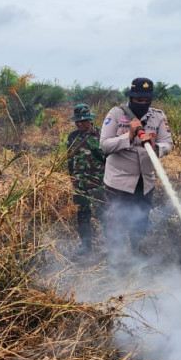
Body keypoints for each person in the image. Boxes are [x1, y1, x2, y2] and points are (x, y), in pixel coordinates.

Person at [100, 77, 173, 251]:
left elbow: (167, 144)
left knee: (140, 226)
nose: (143, 103)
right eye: (139, 100)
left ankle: (137, 262)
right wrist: (129, 136)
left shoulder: (158, 116)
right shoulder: (116, 114)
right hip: (118, 184)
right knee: (116, 227)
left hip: (145, 184)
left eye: (147, 100)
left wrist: (156, 148)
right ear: (131, 98)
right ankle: (115, 266)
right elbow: (104, 144)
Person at [67, 103, 106, 256]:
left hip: (98, 181)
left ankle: (108, 245)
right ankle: (85, 246)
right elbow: (70, 160)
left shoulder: (101, 135)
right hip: (80, 182)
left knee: (103, 213)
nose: (80, 124)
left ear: (90, 120)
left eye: (83, 121)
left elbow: (109, 158)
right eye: (78, 121)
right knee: (83, 214)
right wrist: (72, 178)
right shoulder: (72, 137)